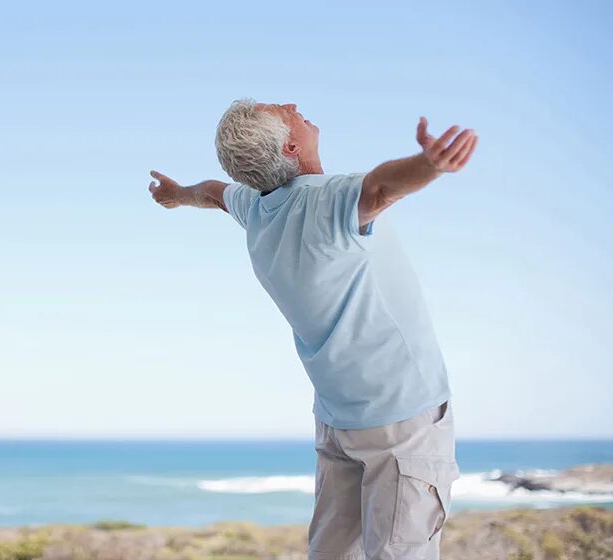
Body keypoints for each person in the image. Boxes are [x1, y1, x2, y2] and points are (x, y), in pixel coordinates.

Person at [148, 98, 478, 560]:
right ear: (289, 146)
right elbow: (382, 188)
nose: (294, 104)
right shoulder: (325, 201)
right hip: (400, 420)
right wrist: (429, 165)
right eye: (284, 110)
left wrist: (179, 194)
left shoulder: (258, 210)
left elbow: (213, 192)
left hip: (338, 419)